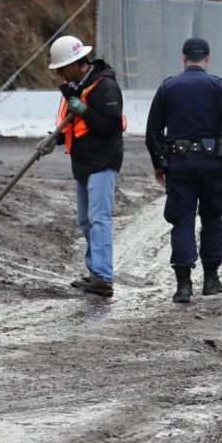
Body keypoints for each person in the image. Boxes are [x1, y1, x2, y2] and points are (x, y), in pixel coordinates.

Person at [145, 37, 222, 303]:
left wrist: (159, 164)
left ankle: (183, 286)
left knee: (182, 219)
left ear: (183, 57)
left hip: (179, 165)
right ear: (208, 58)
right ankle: (211, 280)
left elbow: (152, 131)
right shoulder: (217, 86)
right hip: (212, 165)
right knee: (212, 218)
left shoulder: (168, 87)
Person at [46, 35, 126, 297]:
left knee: (99, 218)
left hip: (103, 161)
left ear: (75, 64)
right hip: (83, 162)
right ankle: (95, 272)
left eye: (61, 68)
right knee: (85, 220)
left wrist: (85, 110)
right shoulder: (76, 88)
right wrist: (54, 139)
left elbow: (111, 126)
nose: (59, 73)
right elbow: (70, 124)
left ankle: (102, 276)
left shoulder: (105, 87)